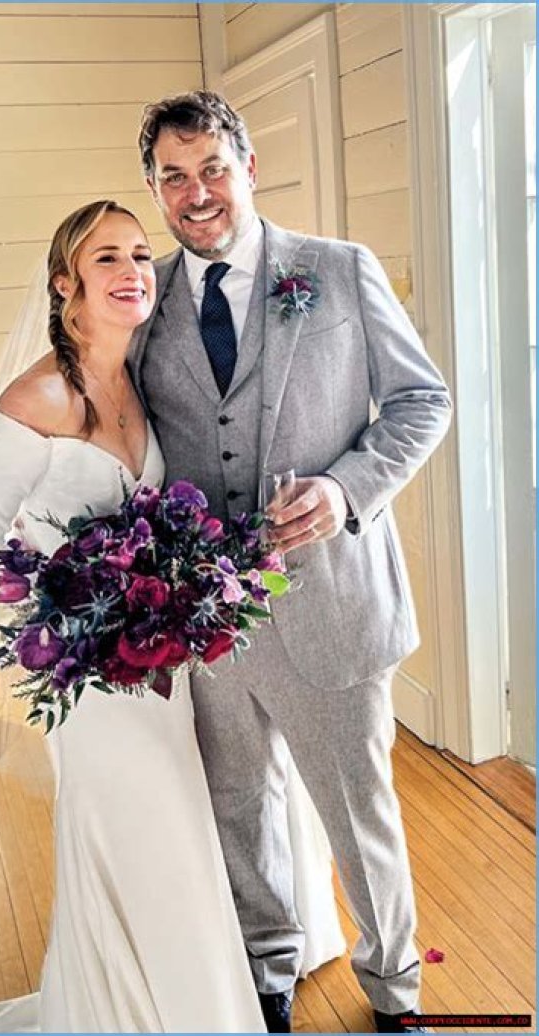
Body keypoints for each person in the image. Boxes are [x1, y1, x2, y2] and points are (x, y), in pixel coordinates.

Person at [0, 199, 344, 1034]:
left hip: (162, 662)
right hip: (93, 677)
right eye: (106, 259)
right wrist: (73, 616)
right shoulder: (36, 397)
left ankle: (200, 999)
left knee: (183, 823)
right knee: (138, 829)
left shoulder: (138, 377)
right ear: (65, 285)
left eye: (137, 253)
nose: (132, 271)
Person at [130, 91, 453, 1035]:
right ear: (154, 188)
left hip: (332, 607)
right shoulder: (144, 300)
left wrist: (346, 490)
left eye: (212, 169)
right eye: (174, 177)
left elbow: (422, 402)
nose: (197, 194)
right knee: (239, 808)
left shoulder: (339, 270)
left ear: (249, 167)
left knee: (361, 815)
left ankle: (396, 993)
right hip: (207, 620)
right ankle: (266, 977)